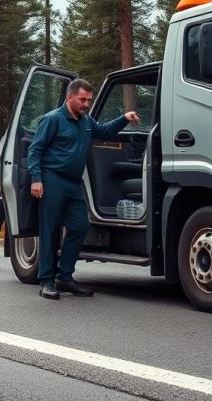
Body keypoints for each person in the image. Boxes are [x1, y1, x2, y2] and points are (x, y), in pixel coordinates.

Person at [28, 78, 139, 300]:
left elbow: (106, 132)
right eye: (82, 99)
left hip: (73, 184)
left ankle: (65, 277)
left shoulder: (86, 121)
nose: (87, 104)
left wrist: (123, 119)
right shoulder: (52, 120)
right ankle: (47, 282)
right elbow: (35, 150)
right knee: (49, 232)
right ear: (70, 97)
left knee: (80, 226)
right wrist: (36, 179)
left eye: (89, 100)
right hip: (52, 181)